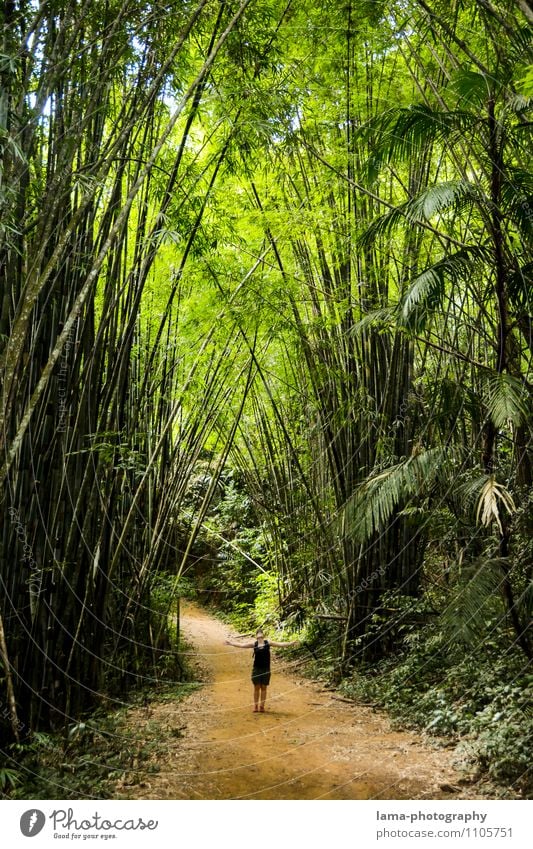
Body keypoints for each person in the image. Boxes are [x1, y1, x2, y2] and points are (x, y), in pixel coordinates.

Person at [224, 629, 299, 712]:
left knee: (264, 687)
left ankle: (262, 706)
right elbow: (242, 645)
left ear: (263, 635)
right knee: (256, 687)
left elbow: (280, 644)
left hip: (266, 669)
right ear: (256, 636)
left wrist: (291, 643)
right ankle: (255, 706)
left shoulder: (268, 643)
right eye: (258, 633)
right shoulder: (254, 644)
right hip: (257, 669)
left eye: (261, 633)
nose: (260, 635)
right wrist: (231, 643)